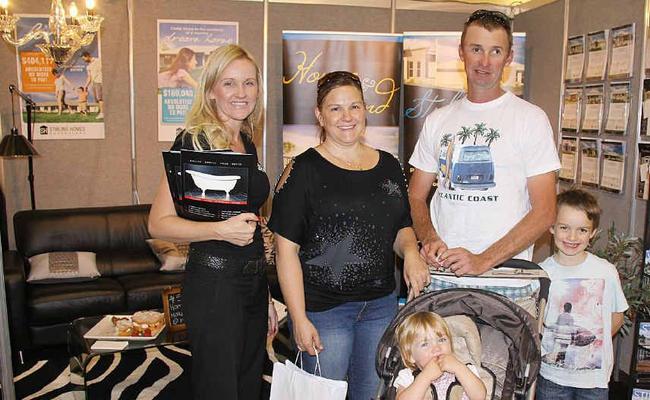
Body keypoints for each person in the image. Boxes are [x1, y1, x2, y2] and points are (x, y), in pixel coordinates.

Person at [269, 70, 430, 400]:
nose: (347, 117)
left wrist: (412, 253)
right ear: (319, 115)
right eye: (335, 108)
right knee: (319, 395)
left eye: (354, 106)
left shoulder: (388, 165)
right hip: (325, 312)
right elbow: (285, 252)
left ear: (365, 110)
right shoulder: (302, 170)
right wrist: (298, 318)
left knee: (369, 394)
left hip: (381, 307)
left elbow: (401, 226)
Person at [148, 44, 278, 400]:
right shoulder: (195, 141)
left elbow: (249, 226)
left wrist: (265, 294)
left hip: (251, 284)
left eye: (249, 83)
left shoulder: (246, 142)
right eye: (230, 83)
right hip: (215, 286)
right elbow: (158, 223)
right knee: (219, 388)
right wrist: (218, 230)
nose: (241, 93)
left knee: (249, 383)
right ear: (211, 91)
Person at [408, 9, 561, 311]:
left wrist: (483, 260)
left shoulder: (530, 119)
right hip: (441, 277)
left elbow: (545, 212)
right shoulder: (438, 120)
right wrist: (428, 238)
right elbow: (415, 194)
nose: (485, 61)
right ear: (461, 52)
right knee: (434, 360)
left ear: (508, 57)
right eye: (476, 49)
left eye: (495, 51)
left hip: (505, 280)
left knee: (498, 361)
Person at [536, 189, 628, 400]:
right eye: (564, 228)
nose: (572, 237)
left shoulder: (605, 272)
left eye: (582, 230)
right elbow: (537, 322)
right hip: (551, 377)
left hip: (593, 380)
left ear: (593, 232)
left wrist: (594, 346)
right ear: (551, 227)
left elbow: (616, 316)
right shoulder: (542, 273)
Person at [394, 311, 486, 400]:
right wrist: (425, 376)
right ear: (410, 356)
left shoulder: (465, 369)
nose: (437, 348)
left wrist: (459, 368)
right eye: (425, 344)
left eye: (441, 340)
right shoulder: (408, 377)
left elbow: (479, 396)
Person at [82, 51, 104, 119]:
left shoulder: (98, 60)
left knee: (100, 98)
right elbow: (89, 77)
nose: (84, 60)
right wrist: (86, 85)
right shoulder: (88, 67)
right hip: (93, 83)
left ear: (88, 56)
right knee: (97, 99)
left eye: (84, 58)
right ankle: (101, 111)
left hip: (99, 81)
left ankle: (102, 113)